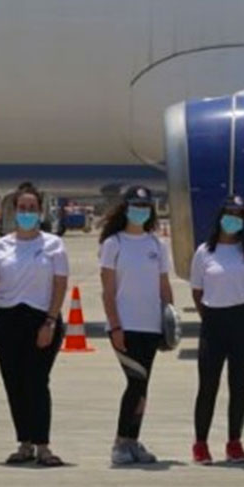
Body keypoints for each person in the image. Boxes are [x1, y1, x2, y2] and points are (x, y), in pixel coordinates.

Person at [0, 182, 70, 467]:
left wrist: (50, 321)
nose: (27, 213)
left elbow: (60, 284)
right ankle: (24, 443)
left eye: (32, 208)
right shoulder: (1, 246)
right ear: (14, 211)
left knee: (37, 382)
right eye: (22, 208)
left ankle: (43, 445)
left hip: (40, 319)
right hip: (6, 320)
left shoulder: (53, 245)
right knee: (14, 384)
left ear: (40, 211)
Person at [99, 185, 172, 466]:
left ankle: (132, 440)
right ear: (125, 208)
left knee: (142, 387)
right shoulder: (113, 244)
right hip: (124, 325)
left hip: (151, 326)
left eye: (144, 207)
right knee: (135, 382)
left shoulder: (157, 245)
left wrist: (169, 321)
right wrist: (115, 326)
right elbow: (108, 291)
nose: (140, 211)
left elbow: (164, 286)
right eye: (135, 206)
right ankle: (120, 442)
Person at [188, 197, 244, 465]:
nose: (234, 219)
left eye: (239, 215)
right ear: (220, 217)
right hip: (214, 321)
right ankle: (200, 443)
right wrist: (209, 316)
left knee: (239, 385)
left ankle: (234, 442)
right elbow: (197, 290)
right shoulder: (204, 252)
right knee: (208, 385)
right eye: (229, 213)